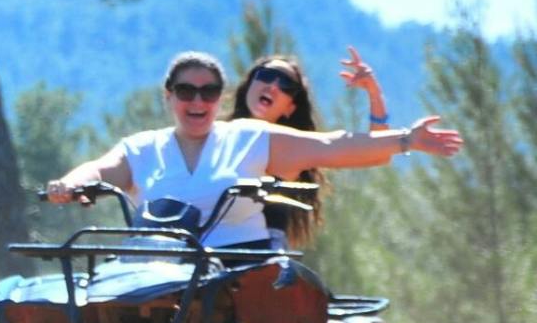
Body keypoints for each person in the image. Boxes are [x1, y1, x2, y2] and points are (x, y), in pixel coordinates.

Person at [44, 50, 462, 247]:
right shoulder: (141, 148)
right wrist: (70, 184)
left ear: (219, 95)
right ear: (168, 96)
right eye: (186, 90)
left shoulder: (251, 138)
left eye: (208, 91)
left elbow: (336, 145)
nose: (197, 101)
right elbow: (99, 170)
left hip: (239, 278)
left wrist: (407, 139)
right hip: (150, 277)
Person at [230, 47, 394, 249]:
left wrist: (374, 93)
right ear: (249, 84)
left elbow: (379, 154)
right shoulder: (211, 138)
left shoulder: (296, 150)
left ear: (290, 108)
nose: (273, 86)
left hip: (261, 266)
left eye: (286, 85)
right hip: (202, 258)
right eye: (267, 75)